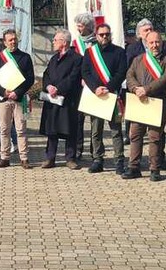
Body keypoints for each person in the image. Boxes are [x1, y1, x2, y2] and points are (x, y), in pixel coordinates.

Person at [124, 29, 166, 180]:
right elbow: (130, 75)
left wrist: (146, 89)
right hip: (139, 101)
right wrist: (135, 88)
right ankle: (134, 167)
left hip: (157, 102)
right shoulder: (138, 59)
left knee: (155, 136)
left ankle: (155, 169)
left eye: (157, 42)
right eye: (151, 42)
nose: (154, 45)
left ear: (162, 43)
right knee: (135, 134)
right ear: (146, 44)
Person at [80, 22, 128, 174]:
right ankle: (97, 160)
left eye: (107, 34)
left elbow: (121, 72)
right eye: (101, 34)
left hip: (112, 95)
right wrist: (95, 88)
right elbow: (85, 72)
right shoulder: (90, 52)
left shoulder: (119, 52)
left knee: (116, 131)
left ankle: (119, 161)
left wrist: (108, 87)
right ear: (96, 35)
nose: (105, 37)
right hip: (96, 95)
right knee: (96, 130)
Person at [0, 29, 35, 169]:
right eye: (10, 40)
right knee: (4, 129)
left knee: (21, 129)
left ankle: (24, 158)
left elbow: (30, 79)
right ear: (5, 42)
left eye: (15, 39)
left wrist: (18, 92)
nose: (13, 42)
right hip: (3, 99)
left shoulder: (25, 57)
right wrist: (3, 92)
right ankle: (5, 158)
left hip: (20, 98)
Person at [40, 28, 82, 169]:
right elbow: (46, 74)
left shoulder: (76, 58)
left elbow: (73, 78)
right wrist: (48, 86)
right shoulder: (54, 58)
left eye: (55, 40)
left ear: (64, 42)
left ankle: (70, 158)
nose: (53, 42)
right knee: (52, 130)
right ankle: (50, 158)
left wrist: (58, 88)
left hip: (68, 100)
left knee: (70, 129)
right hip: (52, 99)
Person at [71, 12, 99, 160]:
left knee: (95, 119)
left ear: (88, 27)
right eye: (77, 26)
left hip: (93, 85)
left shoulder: (97, 43)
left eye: (81, 26)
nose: (78, 29)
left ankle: (95, 150)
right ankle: (78, 149)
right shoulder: (74, 43)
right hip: (78, 86)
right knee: (78, 119)